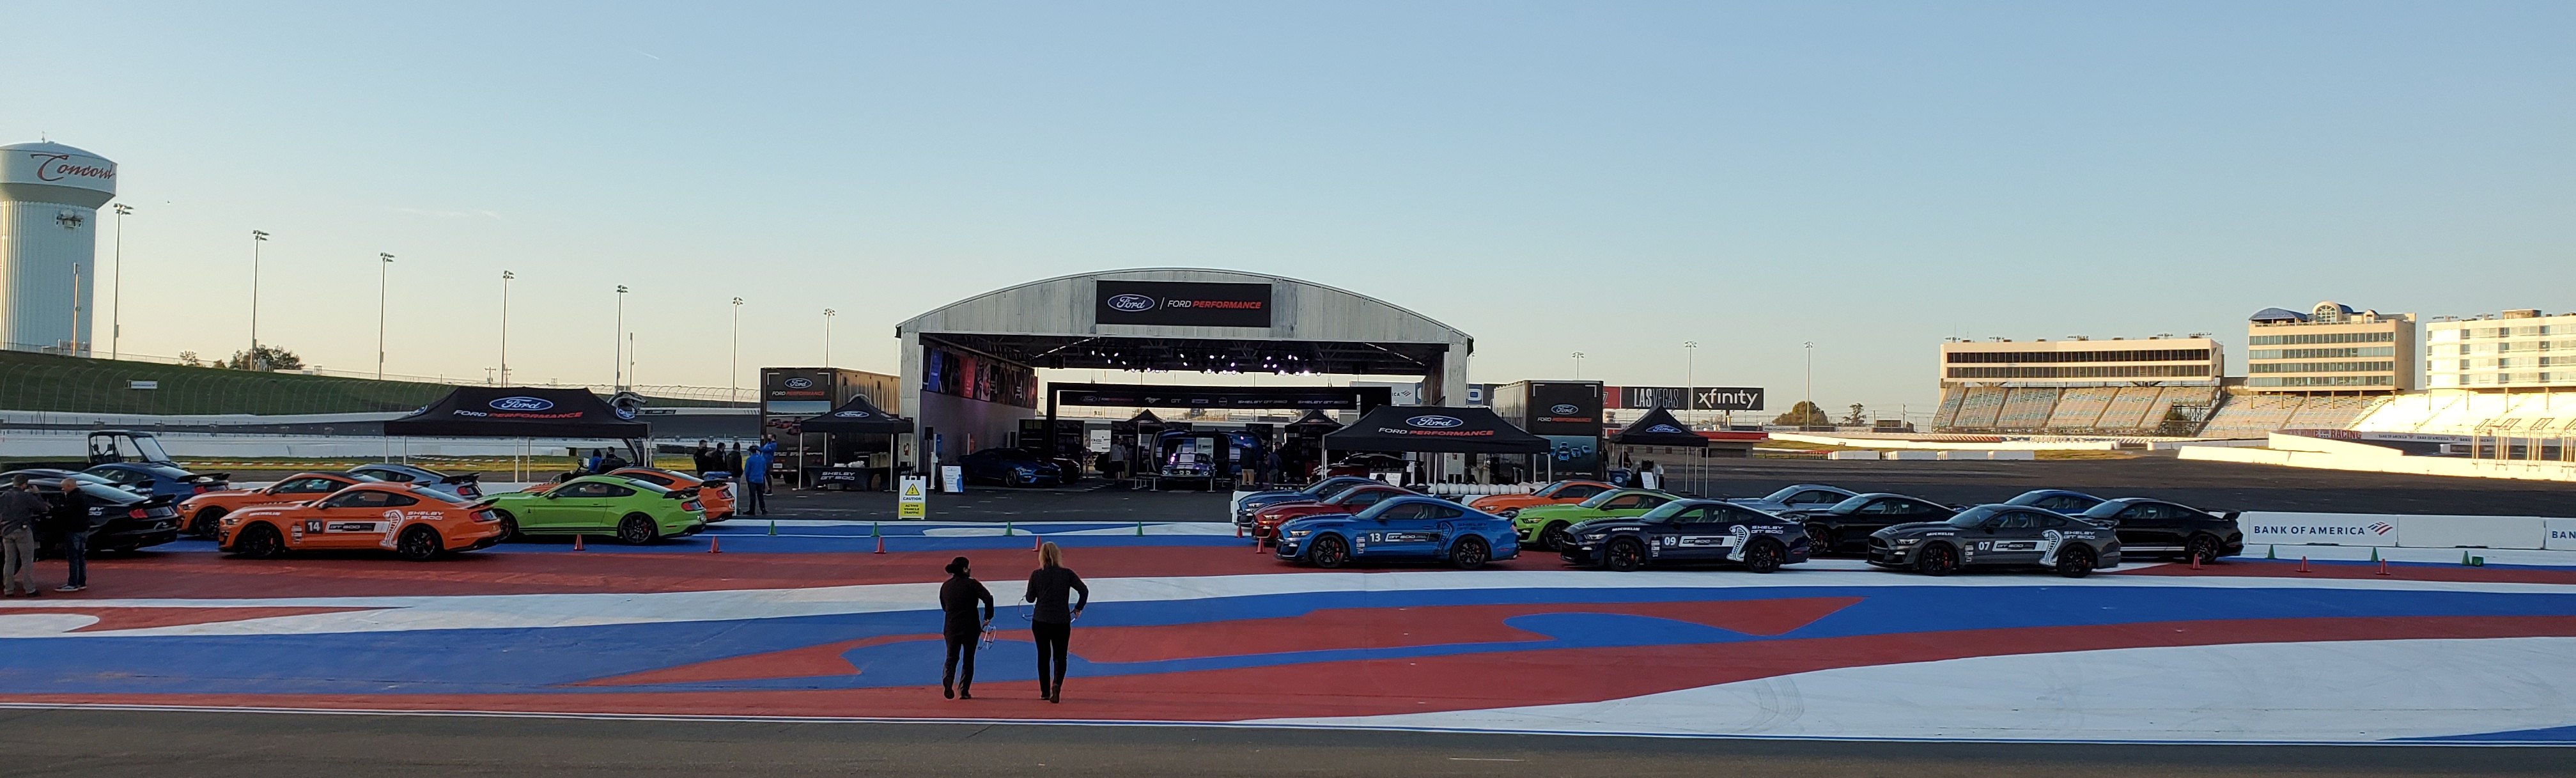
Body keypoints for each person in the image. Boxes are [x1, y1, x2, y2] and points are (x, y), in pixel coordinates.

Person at [1024, 541, 1088, 703]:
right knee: (1060, 656)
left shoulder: (1036, 575)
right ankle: (1057, 684)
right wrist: (1078, 608)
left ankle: (1044, 691)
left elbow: (1030, 598)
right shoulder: (1066, 574)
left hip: (1041, 620)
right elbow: (1084, 590)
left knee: (1043, 656)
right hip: (1061, 620)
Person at [938, 556, 994, 699]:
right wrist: (988, 617)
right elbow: (988, 598)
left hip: (951, 626)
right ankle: (963, 690)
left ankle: (948, 679)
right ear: (965, 569)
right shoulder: (972, 584)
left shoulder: (946, 586)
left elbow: (944, 607)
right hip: (970, 627)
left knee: (951, 657)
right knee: (968, 659)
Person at [0, 474, 47, 597]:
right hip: (22, 530)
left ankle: (8, 590)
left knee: (9, 561)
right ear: (24, 485)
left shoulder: (4, 496)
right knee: (27, 561)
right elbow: (43, 508)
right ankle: (30, 589)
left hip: (6, 531)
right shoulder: (27, 496)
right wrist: (37, 494)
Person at [49, 478, 95, 592]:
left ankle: (73, 583)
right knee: (80, 557)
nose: (62, 489)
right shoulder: (83, 496)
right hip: (83, 529)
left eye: (64, 487)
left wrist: (53, 512)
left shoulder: (73, 498)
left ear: (70, 486)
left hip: (74, 530)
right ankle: (81, 582)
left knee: (73, 557)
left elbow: (67, 513)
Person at [741, 444, 771, 515]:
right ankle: (763, 509)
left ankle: (752, 510)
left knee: (752, 496)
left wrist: (747, 479)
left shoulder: (750, 459)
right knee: (761, 496)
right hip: (760, 479)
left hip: (752, 479)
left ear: (750, 452)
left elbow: (747, 471)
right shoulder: (762, 459)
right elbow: (764, 469)